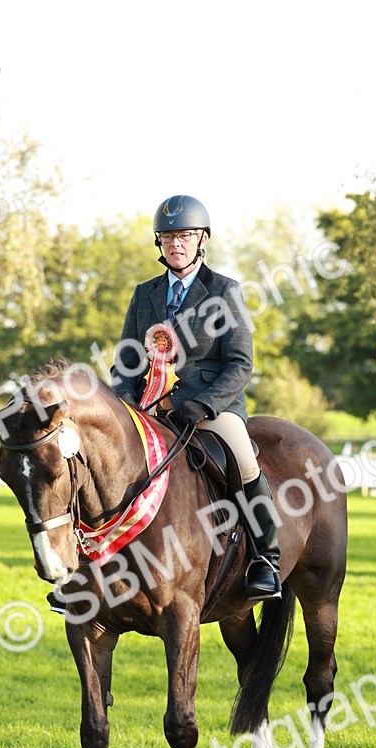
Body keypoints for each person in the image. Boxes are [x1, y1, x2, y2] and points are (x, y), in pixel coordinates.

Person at [110, 194, 281, 602]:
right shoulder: (144, 294)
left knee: (242, 458)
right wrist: (125, 404)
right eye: (167, 237)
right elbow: (125, 363)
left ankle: (265, 558)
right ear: (159, 244)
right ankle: (87, 570)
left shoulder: (224, 290)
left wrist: (202, 403)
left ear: (202, 239)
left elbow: (240, 364)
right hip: (148, 412)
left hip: (208, 410)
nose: (176, 244)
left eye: (184, 235)